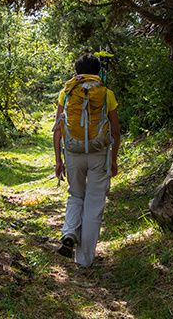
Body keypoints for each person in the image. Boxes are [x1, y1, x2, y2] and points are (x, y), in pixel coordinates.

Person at [52, 53, 120, 267]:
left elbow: (57, 129)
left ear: (77, 72)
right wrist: (114, 160)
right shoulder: (106, 94)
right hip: (99, 154)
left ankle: (69, 231)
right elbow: (116, 131)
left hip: (73, 153)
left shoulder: (66, 92)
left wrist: (58, 160)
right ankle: (84, 260)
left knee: (75, 195)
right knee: (94, 204)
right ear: (98, 72)